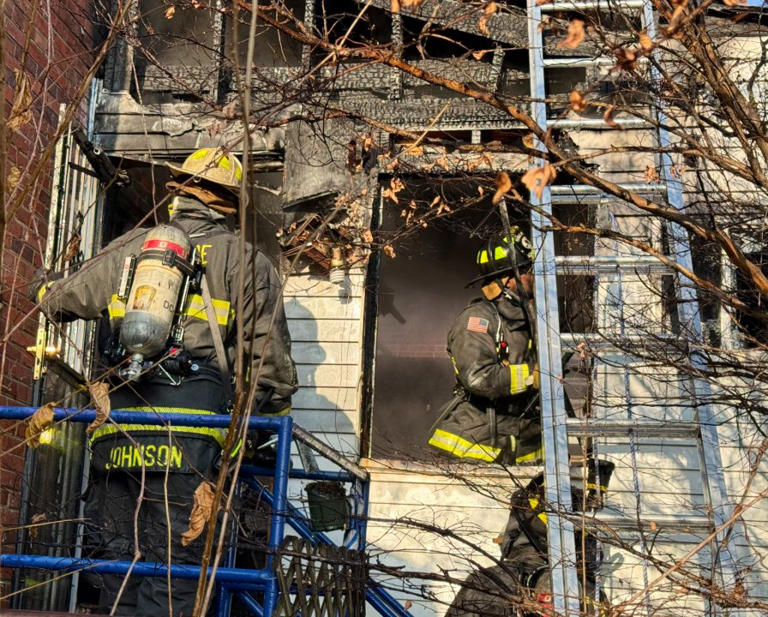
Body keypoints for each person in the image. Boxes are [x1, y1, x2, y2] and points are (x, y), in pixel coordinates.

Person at [35, 147, 297, 616]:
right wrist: (261, 432)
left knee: (119, 575)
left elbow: (57, 301)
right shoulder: (245, 262)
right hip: (191, 448)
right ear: (229, 204)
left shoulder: (128, 248)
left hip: (116, 438)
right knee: (175, 579)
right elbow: (269, 367)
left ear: (178, 192)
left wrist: (42, 282)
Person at [428, 228, 542, 465]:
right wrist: (532, 376)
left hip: (522, 436)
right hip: (475, 442)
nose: (534, 276)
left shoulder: (533, 319)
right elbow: (478, 377)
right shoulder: (477, 321)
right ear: (509, 278)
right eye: (528, 270)